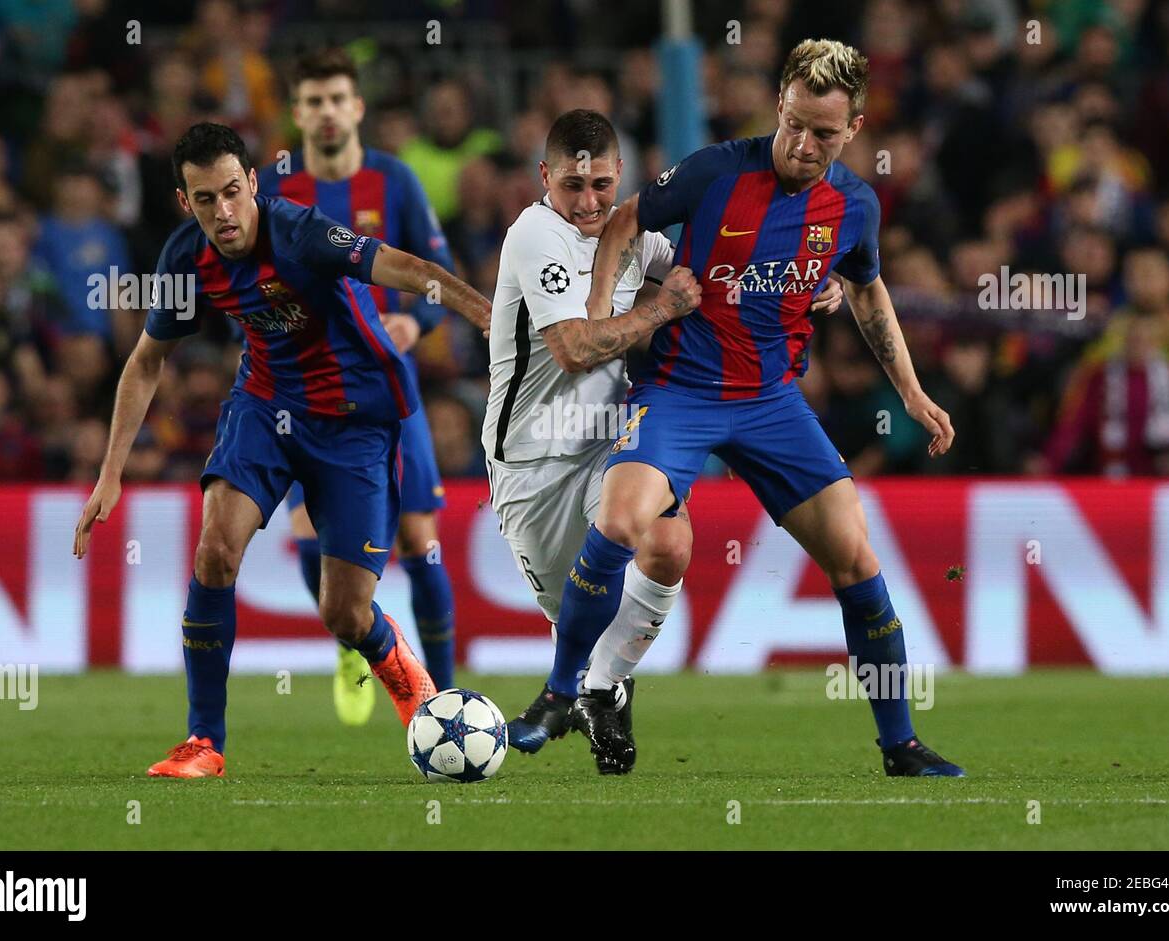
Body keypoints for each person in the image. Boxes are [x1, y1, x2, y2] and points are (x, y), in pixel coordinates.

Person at [514, 40, 966, 777]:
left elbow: (866, 286)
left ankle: (900, 743)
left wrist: (912, 390)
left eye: (823, 132)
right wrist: (599, 313)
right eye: (793, 123)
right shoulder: (715, 170)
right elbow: (626, 220)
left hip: (771, 403)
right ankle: (562, 692)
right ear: (778, 106)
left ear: (853, 130)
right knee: (621, 521)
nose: (802, 143)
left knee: (856, 557)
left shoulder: (853, 204)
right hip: (677, 392)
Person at [71, 122, 491, 778]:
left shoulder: (301, 232)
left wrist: (482, 314)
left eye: (232, 192)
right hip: (265, 409)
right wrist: (110, 474)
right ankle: (203, 741)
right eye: (205, 198)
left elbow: (405, 267)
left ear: (253, 185)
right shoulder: (186, 256)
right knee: (214, 550)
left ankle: (404, 671)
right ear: (186, 202)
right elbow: (147, 360)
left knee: (346, 611)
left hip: (357, 423)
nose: (223, 211)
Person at [489, 109, 848, 772]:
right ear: (546, 179)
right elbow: (572, 349)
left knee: (670, 543)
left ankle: (594, 688)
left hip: (612, 443)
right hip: (533, 460)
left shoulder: (640, 240)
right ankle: (608, 682)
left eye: (602, 184)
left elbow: (726, 286)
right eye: (574, 186)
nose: (590, 201)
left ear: (620, 174)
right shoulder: (534, 235)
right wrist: (657, 309)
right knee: (573, 610)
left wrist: (810, 281)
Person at [257, 48, 462, 725]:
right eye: (312, 101)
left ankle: (444, 695)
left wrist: (414, 317)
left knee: (419, 539)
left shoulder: (394, 181)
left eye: (336, 98)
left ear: (357, 107)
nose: (325, 112)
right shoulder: (272, 190)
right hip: (305, 394)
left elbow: (436, 272)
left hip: (385, 387)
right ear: (297, 113)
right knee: (311, 525)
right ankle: (353, 639)